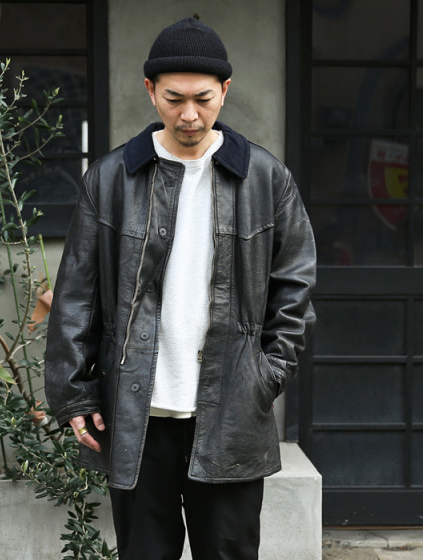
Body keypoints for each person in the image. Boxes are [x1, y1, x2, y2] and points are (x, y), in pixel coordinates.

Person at [45, 16, 316, 560]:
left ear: (225, 91)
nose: (189, 114)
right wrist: (73, 393)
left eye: (203, 99)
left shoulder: (265, 179)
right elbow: (76, 293)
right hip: (138, 413)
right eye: (174, 98)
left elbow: (295, 287)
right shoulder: (111, 179)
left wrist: (267, 374)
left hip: (231, 410)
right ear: (151, 91)